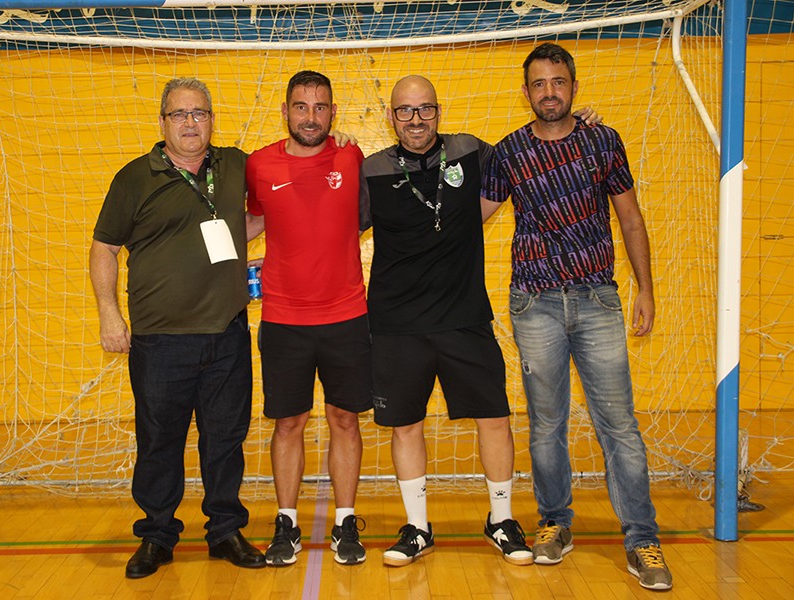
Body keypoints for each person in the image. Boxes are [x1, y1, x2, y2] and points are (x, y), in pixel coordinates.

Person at [484, 42, 672, 591]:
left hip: (598, 301)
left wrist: (646, 289)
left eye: (558, 82)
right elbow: (472, 219)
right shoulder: (509, 152)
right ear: (526, 92)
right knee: (546, 426)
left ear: (573, 86)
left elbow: (631, 219)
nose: (549, 92)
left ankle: (642, 539)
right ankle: (554, 522)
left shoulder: (602, 140)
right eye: (539, 84)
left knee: (620, 427)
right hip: (534, 304)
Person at [90, 77, 266, 579]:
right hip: (159, 339)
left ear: (212, 119)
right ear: (162, 121)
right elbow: (104, 248)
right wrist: (109, 313)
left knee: (225, 440)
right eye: (179, 115)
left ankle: (226, 531)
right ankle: (157, 535)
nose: (191, 123)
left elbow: (281, 181)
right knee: (159, 440)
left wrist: (333, 142)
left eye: (199, 113)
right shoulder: (134, 177)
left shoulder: (236, 165)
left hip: (228, 333)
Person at [359, 75, 534, 568]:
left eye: (425, 109)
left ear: (439, 110)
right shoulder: (371, 169)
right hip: (396, 323)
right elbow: (333, 225)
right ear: (391, 116)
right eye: (405, 111)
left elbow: (531, 151)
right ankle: (417, 528)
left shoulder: (473, 151)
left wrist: (575, 123)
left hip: (464, 318)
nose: (416, 120)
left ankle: (501, 521)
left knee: (495, 420)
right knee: (406, 426)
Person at [245, 70, 372, 566]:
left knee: (345, 419)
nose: (311, 116)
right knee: (290, 423)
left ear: (333, 114)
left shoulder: (351, 156)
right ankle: (287, 523)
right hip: (283, 317)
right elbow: (256, 219)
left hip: (346, 315)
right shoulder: (259, 164)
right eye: (302, 106)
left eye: (321, 107)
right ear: (285, 111)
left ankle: (345, 522)